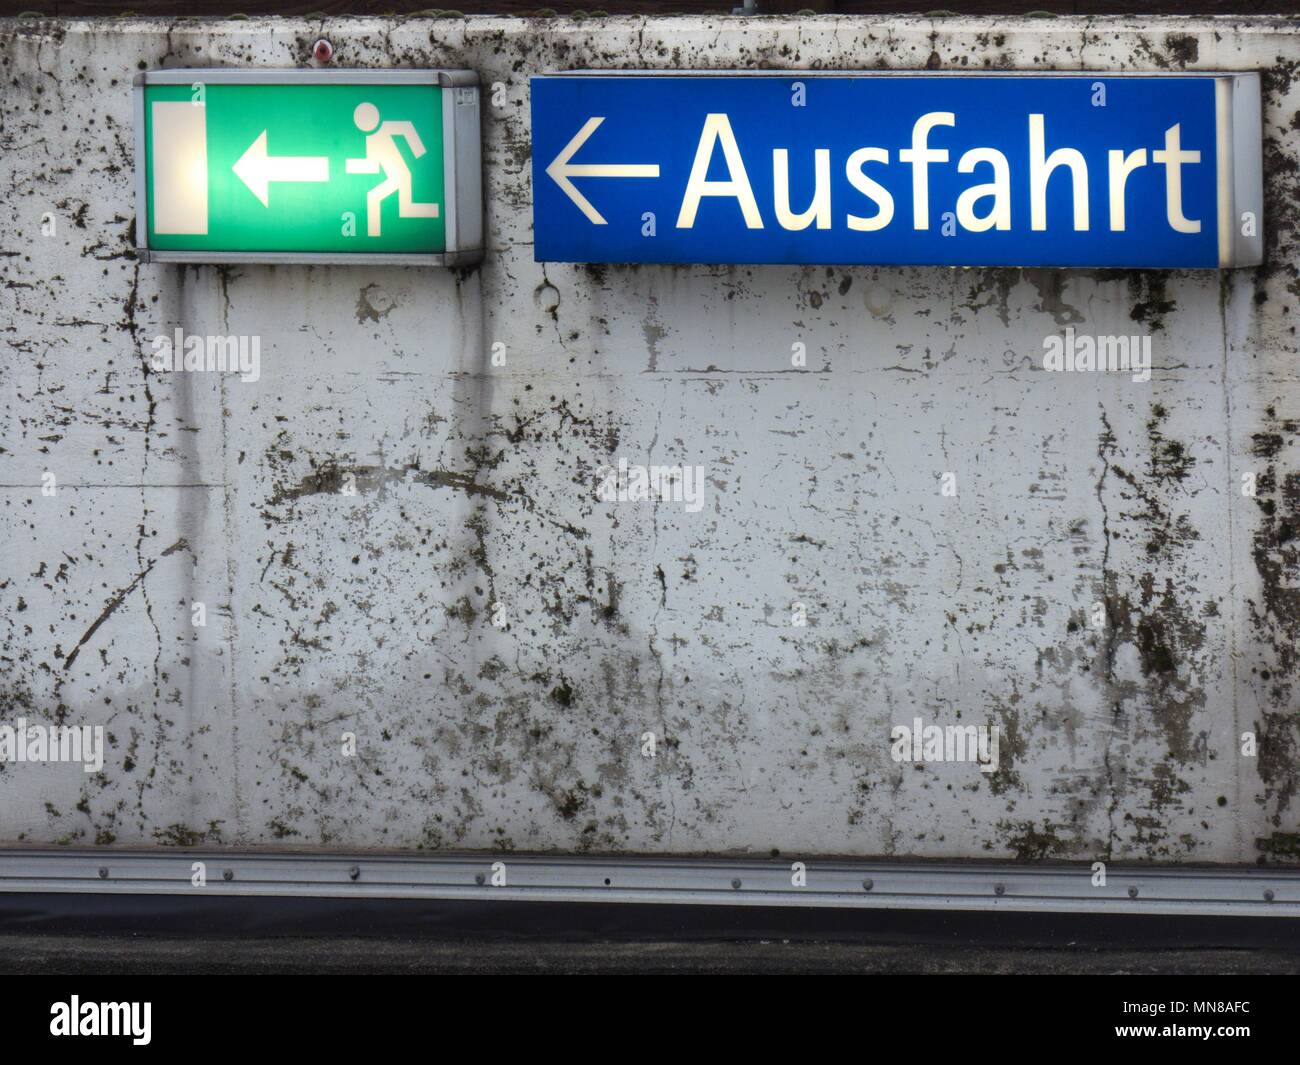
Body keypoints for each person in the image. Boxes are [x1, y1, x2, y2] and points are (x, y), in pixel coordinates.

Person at [345, 101, 439, 237]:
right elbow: (374, 165)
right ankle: (374, 232)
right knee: (382, 200)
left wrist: (418, 149)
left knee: (385, 201)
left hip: (400, 175)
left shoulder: (386, 129)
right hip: (396, 176)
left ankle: (375, 232)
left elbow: (406, 129)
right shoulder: (371, 140)